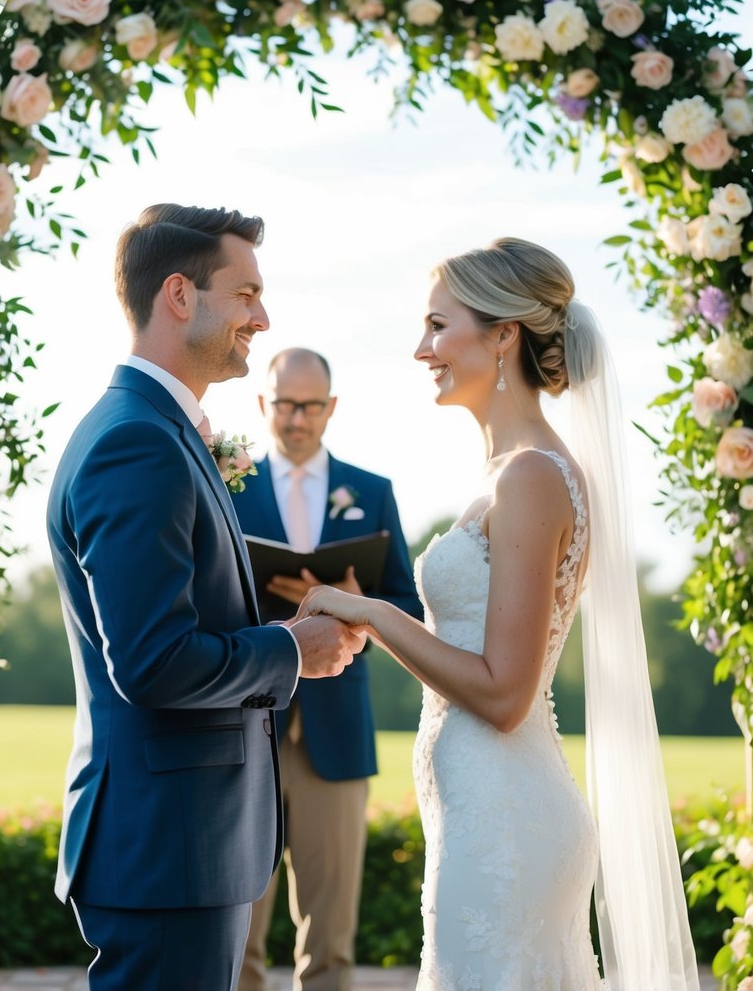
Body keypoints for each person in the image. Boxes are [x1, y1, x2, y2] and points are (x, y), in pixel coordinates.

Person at [297, 238, 700, 990]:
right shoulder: (506, 474)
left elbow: (504, 695)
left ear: (503, 333)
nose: (422, 350)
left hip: (506, 827)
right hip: (480, 819)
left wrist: (373, 615)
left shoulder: (531, 478)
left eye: (437, 326)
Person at [46, 204, 365, 991]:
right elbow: (153, 662)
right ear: (180, 296)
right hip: (168, 846)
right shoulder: (137, 442)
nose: (263, 316)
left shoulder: (165, 430)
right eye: (245, 293)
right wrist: (291, 648)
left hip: (185, 842)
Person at [234, 347, 421, 991]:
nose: (296, 419)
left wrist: (354, 606)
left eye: (310, 405)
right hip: (242, 724)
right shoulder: (225, 484)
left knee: (332, 942)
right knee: (237, 938)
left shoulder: (372, 493)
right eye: (284, 404)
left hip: (337, 729)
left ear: (331, 408)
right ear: (263, 404)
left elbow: (406, 603)